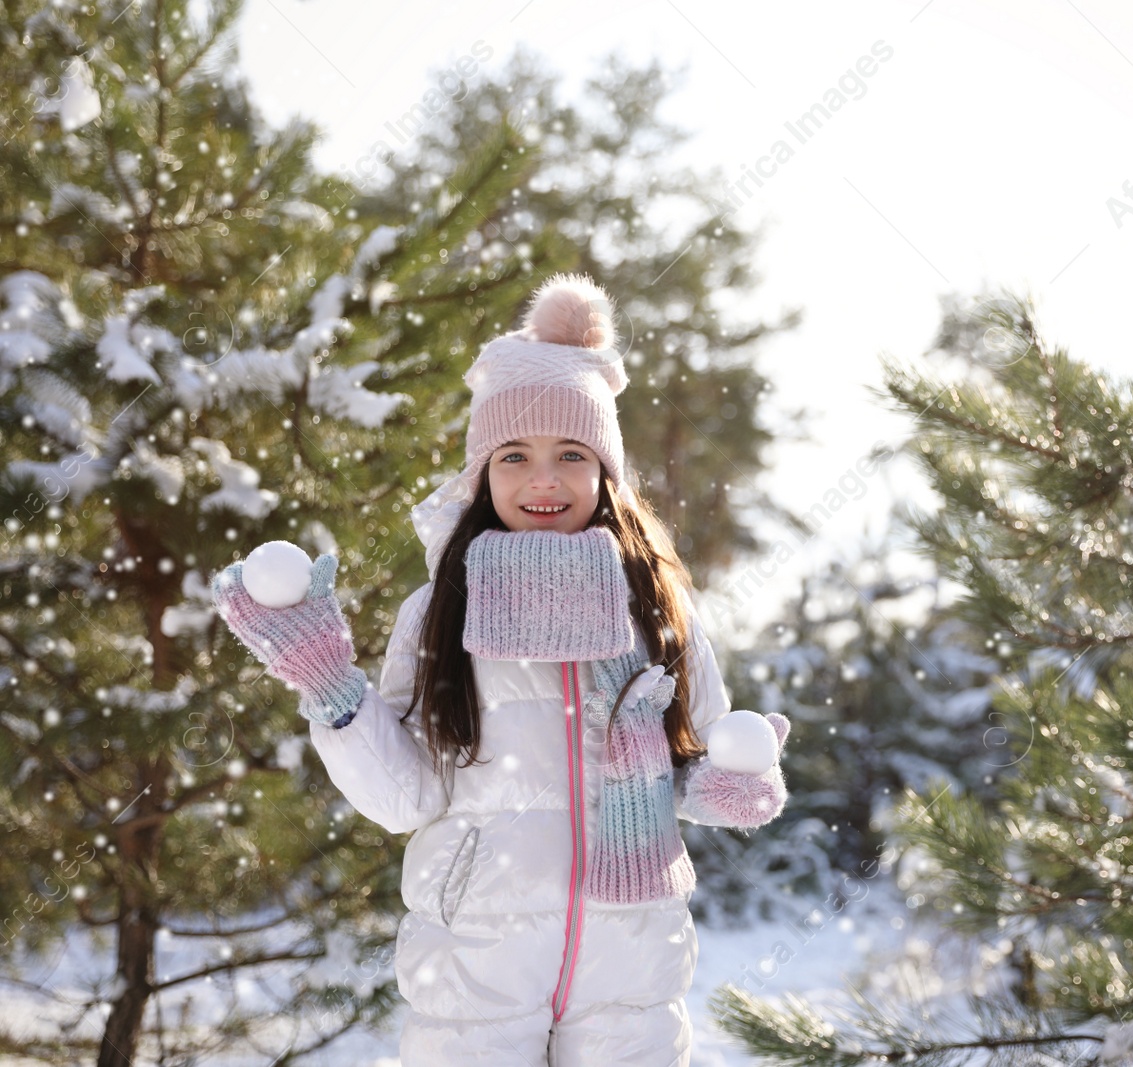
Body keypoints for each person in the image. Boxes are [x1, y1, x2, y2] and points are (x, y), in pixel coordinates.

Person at [211, 273, 791, 1065]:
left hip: (631, 962)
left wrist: (733, 782)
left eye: (570, 454)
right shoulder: (441, 610)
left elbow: (694, 763)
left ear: (607, 473)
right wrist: (330, 685)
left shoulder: (657, 608)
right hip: (475, 962)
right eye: (513, 454)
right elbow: (404, 795)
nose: (542, 479)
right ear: (481, 472)